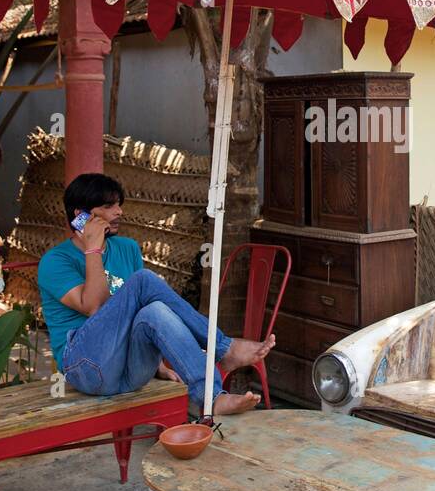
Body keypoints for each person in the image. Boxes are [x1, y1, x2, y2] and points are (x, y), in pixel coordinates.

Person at [38, 172, 274, 417]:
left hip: (129, 372)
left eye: (119, 204)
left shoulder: (127, 248)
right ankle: (223, 347)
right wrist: (93, 249)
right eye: (108, 206)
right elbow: (95, 306)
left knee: (155, 310)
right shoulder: (55, 261)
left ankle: (211, 397)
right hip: (86, 368)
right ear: (81, 216)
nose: (119, 212)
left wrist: (158, 365)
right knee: (142, 281)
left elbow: (143, 312)